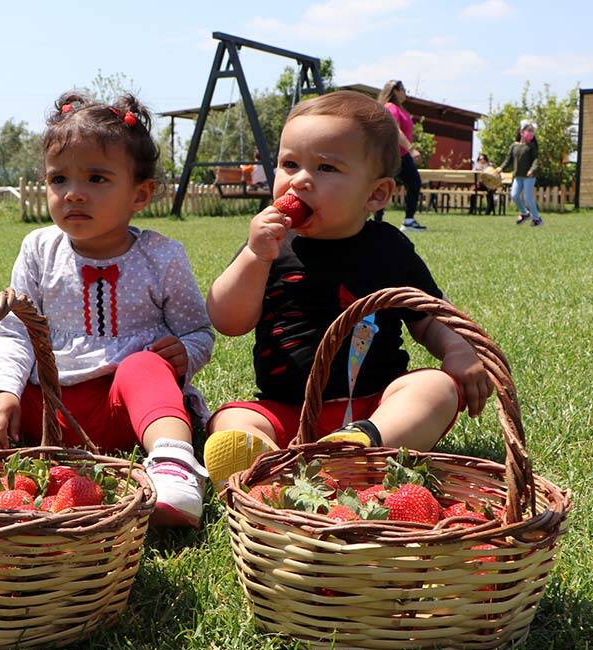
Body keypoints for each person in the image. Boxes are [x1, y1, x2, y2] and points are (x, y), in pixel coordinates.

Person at [0, 92, 216, 528]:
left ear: (140, 194)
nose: (74, 194)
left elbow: (199, 330)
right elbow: (18, 333)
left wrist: (186, 351)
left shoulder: (161, 256)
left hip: (123, 412)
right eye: (59, 180)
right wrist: (5, 391)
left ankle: (172, 464)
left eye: (96, 178)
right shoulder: (38, 249)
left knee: (143, 366)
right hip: (47, 410)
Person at [200, 91, 491, 490]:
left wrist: (458, 348)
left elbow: (428, 316)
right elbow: (226, 319)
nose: (299, 180)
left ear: (375, 195)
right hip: (287, 408)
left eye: (325, 168)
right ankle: (265, 460)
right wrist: (254, 256)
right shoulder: (271, 246)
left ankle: (360, 446)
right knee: (231, 420)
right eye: (289, 164)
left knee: (435, 388)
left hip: (376, 403)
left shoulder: (389, 248)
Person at [374, 80, 426, 232]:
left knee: (411, 183)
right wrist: (411, 149)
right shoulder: (390, 108)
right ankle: (378, 222)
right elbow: (395, 131)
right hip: (394, 155)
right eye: (403, 89)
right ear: (395, 90)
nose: (405, 92)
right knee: (384, 185)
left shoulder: (399, 108)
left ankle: (406, 221)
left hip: (401, 155)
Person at [501, 122, 542, 226]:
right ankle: (525, 213)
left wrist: (532, 170)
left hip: (529, 176)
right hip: (518, 176)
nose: (531, 133)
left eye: (532, 132)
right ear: (521, 132)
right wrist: (500, 168)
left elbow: (536, 160)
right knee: (514, 196)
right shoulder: (514, 146)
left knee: (528, 198)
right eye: (529, 131)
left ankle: (537, 219)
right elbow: (508, 160)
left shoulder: (532, 146)